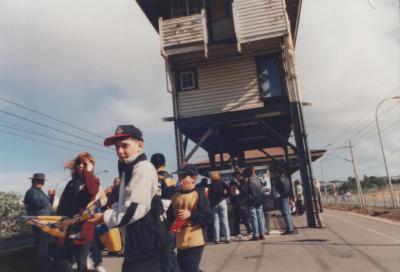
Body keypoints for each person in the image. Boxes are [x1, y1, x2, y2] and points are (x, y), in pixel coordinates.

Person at [88, 125, 165, 272]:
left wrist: (103, 217)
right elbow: (124, 203)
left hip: (146, 239)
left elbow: (134, 209)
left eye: (124, 146)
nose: (120, 151)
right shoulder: (129, 169)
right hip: (137, 238)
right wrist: (109, 212)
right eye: (117, 147)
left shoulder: (143, 168)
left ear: (140, 145)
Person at [56, 152, 100, 272]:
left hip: (84, 228)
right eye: (79, 163)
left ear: (91, 166)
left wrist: (88, 172)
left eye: (84, 163)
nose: (81, 166)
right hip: (68, 227)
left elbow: (92, 191)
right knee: (63, 261)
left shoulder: (94, 181)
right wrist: (57, 221)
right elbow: (62, 204)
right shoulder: (71, 183)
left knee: (81, 262)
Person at [167, 164, 211, 272]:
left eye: (183, 177)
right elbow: (170, 217)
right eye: (179, 177)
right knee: (183, 269)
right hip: (181, 242)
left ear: (194, 178)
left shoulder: (199, 194)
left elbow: (207, 217)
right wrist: (171, 225)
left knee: (190, 268)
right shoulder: (175, 196)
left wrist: (191, 214)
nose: (180, 180)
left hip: (196, 240)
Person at [150, 153, 180, 272]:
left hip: (159, 213)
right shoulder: (170, 178)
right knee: (169, 249)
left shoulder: (154, 178)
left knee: (164, 252)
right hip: (171, 212)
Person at [24, 173, 55, 272]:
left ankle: (43, 267)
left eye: (42, 181)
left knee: (43, 246)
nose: (42, 183)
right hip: (38, 223)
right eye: (39, 180)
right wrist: (49, 197)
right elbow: (40, 203)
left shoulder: (39, 191)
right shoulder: (31, 192)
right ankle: (39, 268)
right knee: (41, 248)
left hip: (44, 224)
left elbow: (48, 205)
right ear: (34, 181)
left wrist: (51, 197)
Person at [241, 167, 265, 241]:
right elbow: (262, 189)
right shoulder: (259, 179)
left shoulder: (247, 180)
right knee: (260, 218)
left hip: (251, 201)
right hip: (259, 200)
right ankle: (262, 234)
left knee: (254, 219)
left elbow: (244, 190)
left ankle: (256, 235)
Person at [208, 171, 231, 244]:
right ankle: (227, 238)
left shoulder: (210, 185)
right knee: (224, 220)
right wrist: (225, 196)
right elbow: (229, 189)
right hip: (222, 202)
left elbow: (209, 195)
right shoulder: (222, 182)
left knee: (215, 222)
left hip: (214, 204)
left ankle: (216, 239)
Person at [270, 168, 294, 235]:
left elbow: (277, 188)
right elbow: (289, 187)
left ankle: (289, 229)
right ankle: (291, 227)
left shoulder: (278, 179)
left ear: (278, 173)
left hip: (282, 197)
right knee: (288, 213)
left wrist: (279, 194)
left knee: (285, 213)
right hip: (287, 196)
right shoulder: (287, 178)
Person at [229, 171, 251, 238]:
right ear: (236, 176)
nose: (241, 177)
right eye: (239, 176)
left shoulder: (238, 182)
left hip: (239, 202)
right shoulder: (233, 183)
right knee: (240, 217)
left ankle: (248, 230)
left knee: (242, 217)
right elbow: (235, 194)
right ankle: (240, 232)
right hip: (237, 203)